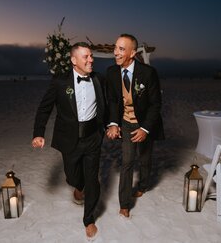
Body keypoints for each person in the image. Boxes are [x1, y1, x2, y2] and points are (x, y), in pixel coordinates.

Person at [32, 42, 106, 240]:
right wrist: (38, 133)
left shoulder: (99, 79)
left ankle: (88, 219)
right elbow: (44, 108)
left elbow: (108, 104)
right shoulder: (60, 82)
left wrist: (109, 125)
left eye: (91, 56)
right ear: (74, 61)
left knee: (92, 179)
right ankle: (78, 186)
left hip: (92, 138)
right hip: (69, 139)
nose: (91, 60)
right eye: (86, 57)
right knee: (72, 176)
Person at [106, 34, 164, 219]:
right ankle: (124, 203)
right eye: (116, 47)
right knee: (127, 161)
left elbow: (156, 104)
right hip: (126, 122)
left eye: (121, 49)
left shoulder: (148, 73)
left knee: (145, 158)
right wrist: (114, 123)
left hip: (144, 122)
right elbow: (114, 101)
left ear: (132, 53)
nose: (116, 52)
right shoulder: (111, 72)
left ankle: (144, 185)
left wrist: (145, 129)